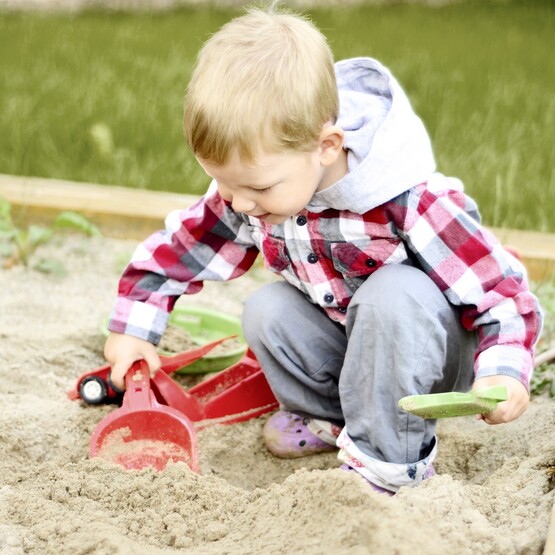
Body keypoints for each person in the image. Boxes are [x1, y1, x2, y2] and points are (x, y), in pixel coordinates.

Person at [104, 5, 543, 494]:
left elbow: (500, 291)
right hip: (352, 348)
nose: (241, 203)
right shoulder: (256, 187)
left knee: (392, 293)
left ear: (327, 146)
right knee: (267, 309)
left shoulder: (407, 200)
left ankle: (389, 464)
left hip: (430, 362)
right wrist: (133, 328)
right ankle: (335, 420)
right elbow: (182, 249)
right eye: (224, 184)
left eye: (259, 188)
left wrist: (504, 372)